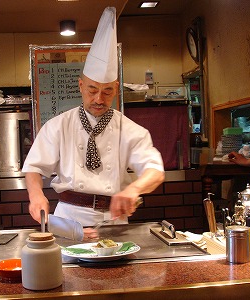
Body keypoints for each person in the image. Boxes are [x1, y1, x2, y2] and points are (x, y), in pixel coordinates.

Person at [22, 7, 165, 239]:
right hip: (69, 219)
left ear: (116, 89)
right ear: (80, 86)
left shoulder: (129, 129)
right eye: (92, 90)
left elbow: (155, 171)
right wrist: (36, 195)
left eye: (107, 91)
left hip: (114, 220)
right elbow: (34, 168)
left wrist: (133, 189)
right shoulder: (58, 126)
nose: (99, 99)